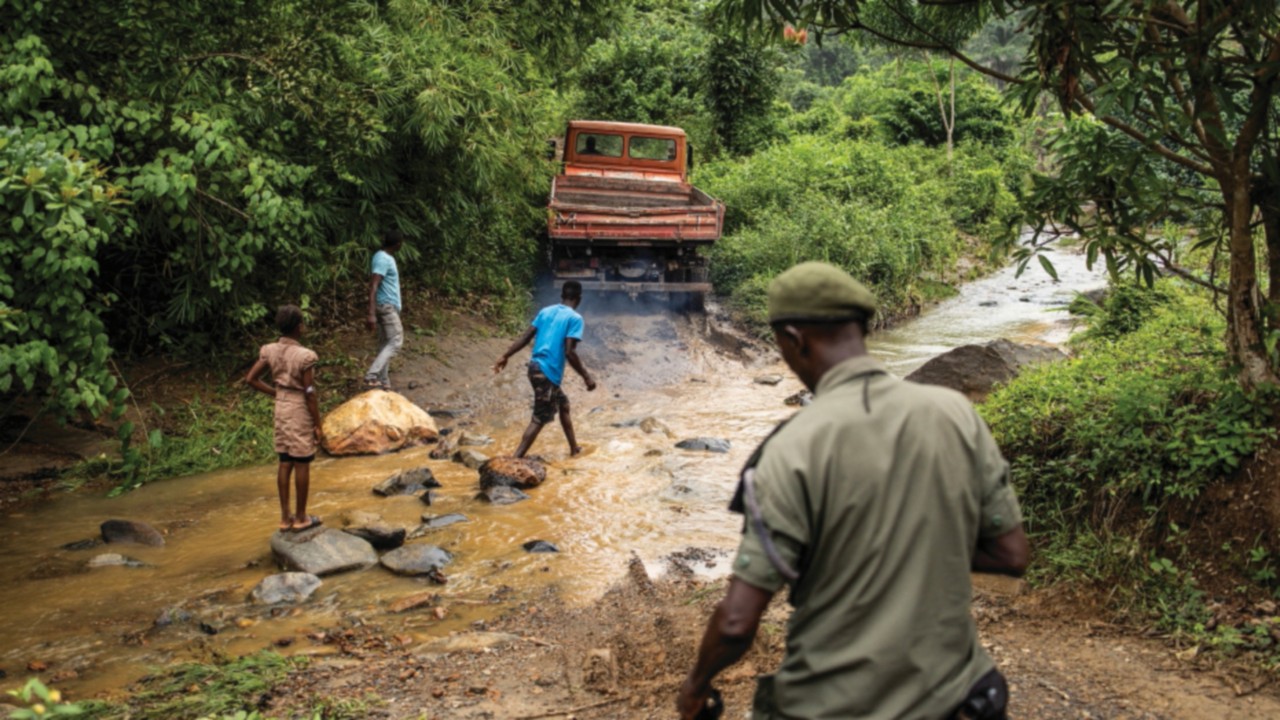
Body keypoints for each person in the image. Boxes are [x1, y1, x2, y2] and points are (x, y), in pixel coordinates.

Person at [677, 262, 1030, 720]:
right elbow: (1011, 556)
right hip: (958, 696)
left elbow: (737, 622)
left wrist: (696, 684)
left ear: (794, 339)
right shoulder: (955, 414)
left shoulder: (789, 449)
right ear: (862, 329)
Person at [492, 281, 598, 457]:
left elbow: (526, 336)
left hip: (535, 367)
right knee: (539, 418)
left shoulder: (545, 311)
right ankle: (515, 458)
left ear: (562, 296)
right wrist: (587, 377)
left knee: (563, 405)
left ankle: (574, 448)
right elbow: (570, 352)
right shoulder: (575, 318)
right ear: (579, 298)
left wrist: (506, 355)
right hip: (547, 372)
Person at [245, 305, 325, 532]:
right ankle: (301, 518)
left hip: (280, 408)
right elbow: (310, 393)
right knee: (302, 461)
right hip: (299, 408)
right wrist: (318, 425)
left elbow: (251, 379)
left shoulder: (269, 350)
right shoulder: (305, 356)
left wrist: (276, 393)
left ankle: (284, 518)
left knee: (285, 460)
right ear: (299, 327)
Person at [365, 231, 405, 391]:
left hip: (386, 306)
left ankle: (384, 382)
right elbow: (373, 285)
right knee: (396, 341)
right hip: (386, 306)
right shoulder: (383, 259)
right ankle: (372, 375)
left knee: (384, 344)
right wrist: (371, 313)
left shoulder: (383, 257)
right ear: (397, 244)